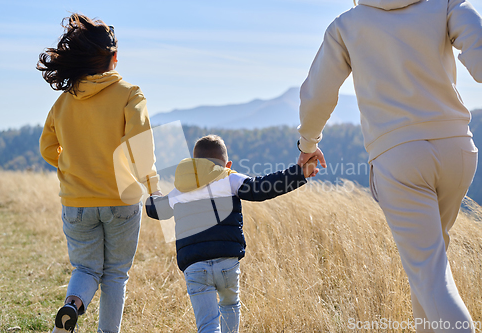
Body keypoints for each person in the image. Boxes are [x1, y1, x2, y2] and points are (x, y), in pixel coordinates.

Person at [297, 0, 481, 332]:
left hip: (398, 156)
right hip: (458, 149)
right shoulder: (446, 4)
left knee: (429, 274)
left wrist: (308, 144)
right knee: (427, 270)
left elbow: (317, 95)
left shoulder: (346, 25)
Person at [38, 13, 160, 333]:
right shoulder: (130, 94)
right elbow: (141, 149)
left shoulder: (64, 102)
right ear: (114, 59)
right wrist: (153, 186)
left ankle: (72, 305)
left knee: (86, 268)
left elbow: (47, 148)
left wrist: (70, 166)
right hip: (122, 200)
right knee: (116, 275)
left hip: (77, 202)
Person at [145, 135, 318, 333]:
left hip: (194, 267)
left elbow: (156, 210)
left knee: (208, 324)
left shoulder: (179, 191)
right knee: (230, 305)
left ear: (193, 163)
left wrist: (153, 195)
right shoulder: (229, 177)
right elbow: (262, 188)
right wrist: (299, 173)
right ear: (227, 163)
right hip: (226, 262)